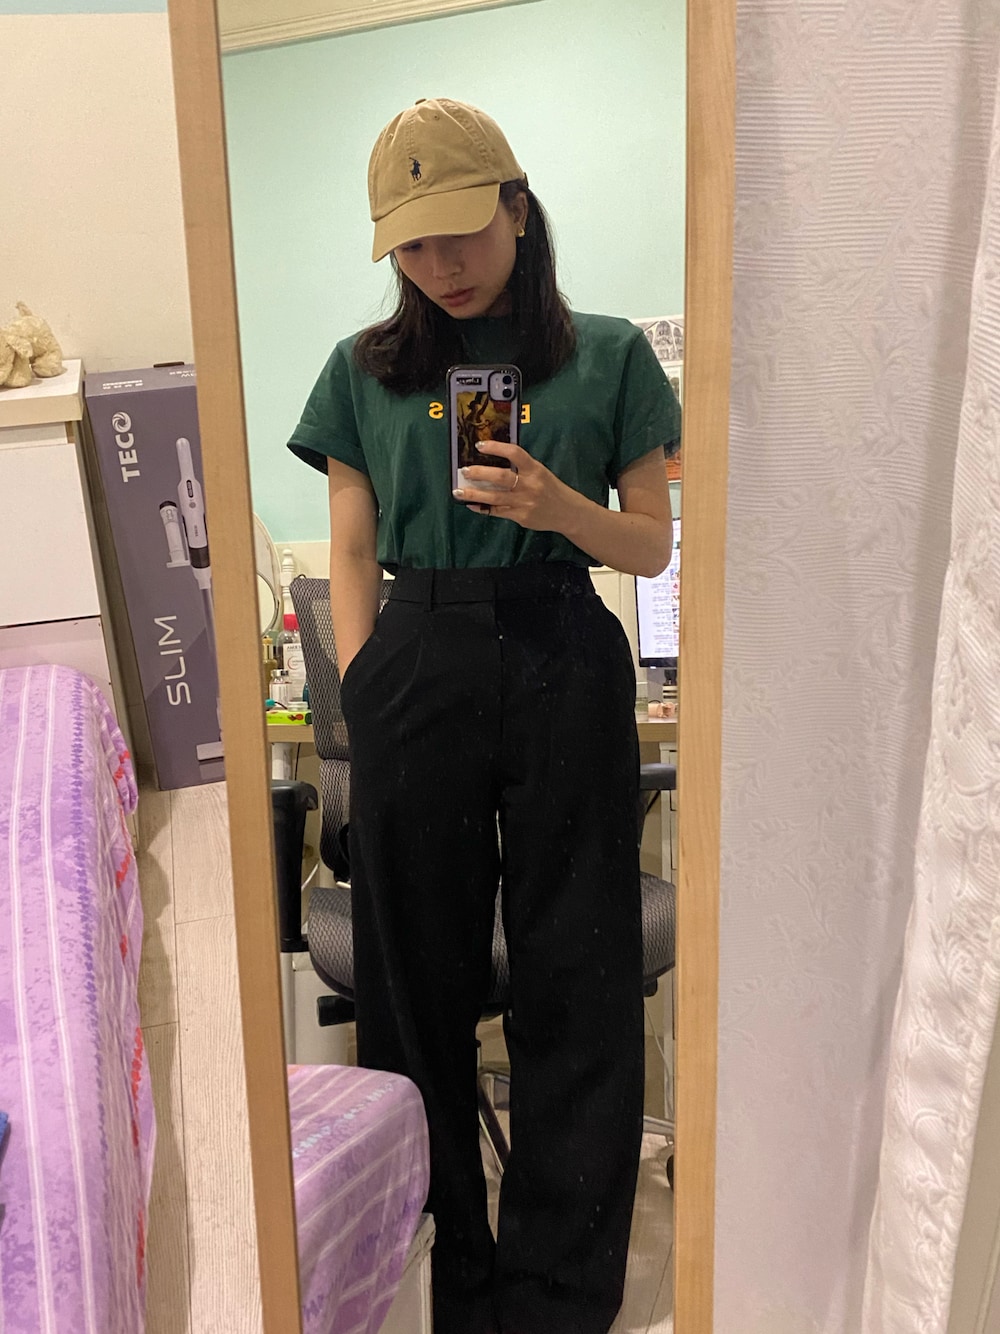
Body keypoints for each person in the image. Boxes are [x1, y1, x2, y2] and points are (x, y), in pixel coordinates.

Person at [287, 97, 681, 1334]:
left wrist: (561, 510)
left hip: (564, 637)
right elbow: (352, 549)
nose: (439, 264)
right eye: (410, 245)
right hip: (416, 652)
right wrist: (369, 687)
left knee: (581, 972)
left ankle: (557, 1296)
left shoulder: (609, 354)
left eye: (458, 230)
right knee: (414, 985)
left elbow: (651, 545)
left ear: (516, 206)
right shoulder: (362, 368)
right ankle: (447, 1280)